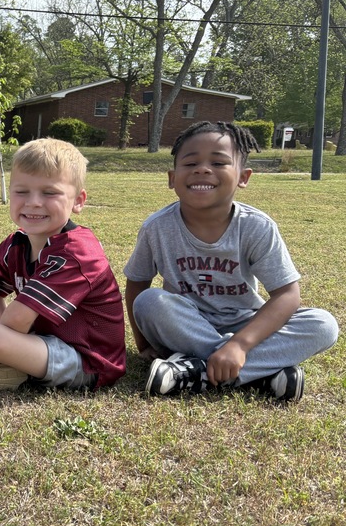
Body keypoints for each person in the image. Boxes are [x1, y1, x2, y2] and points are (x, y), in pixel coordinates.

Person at [125, 121, 338, 401]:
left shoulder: (256, 227)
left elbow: (287, 294)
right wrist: (142, 344)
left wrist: (239, 344)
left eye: (218, 162)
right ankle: (262, 373)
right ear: (171, 177)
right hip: (186, 325)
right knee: (150, 302)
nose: (203, 169)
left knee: (323, 324)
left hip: (245, 324)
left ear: (243, 177)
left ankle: (196, 372)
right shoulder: (157, 228)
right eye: (190, 163)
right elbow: (137, 284)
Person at [0, 137, 125, 393]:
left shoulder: (77, 252)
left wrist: (4, 338)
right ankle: (5, 362)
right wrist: (12, 339)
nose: (34, 202)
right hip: (38, 342)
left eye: (50, 192)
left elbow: (16, 322)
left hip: (86, 359)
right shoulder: (18, 242)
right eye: (22, 191)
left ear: (78, 201)